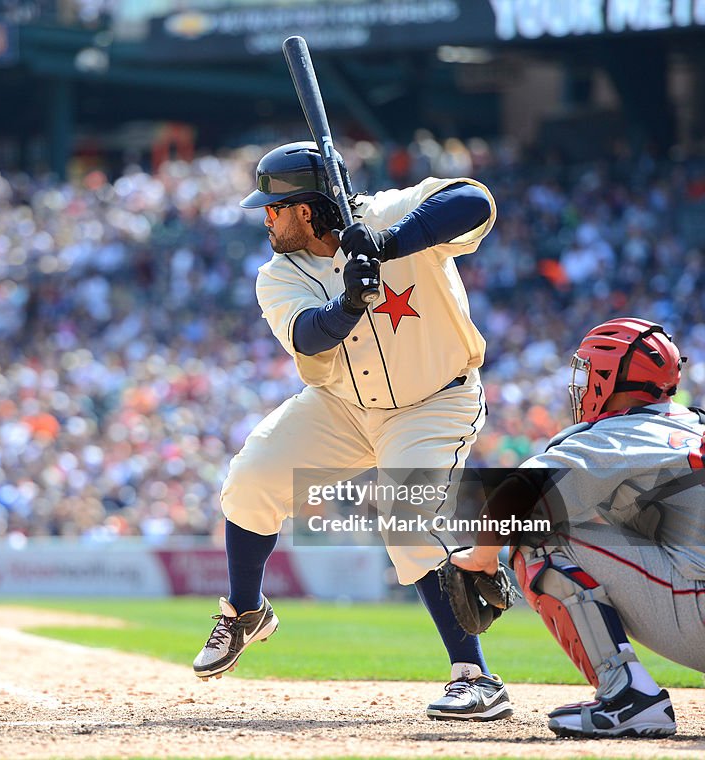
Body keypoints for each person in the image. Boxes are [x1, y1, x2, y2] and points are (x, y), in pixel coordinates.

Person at [193, 141, 510, 720]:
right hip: (341, 405)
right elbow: (309, 336)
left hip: (431, 402)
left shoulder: (388, 214)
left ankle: (475, 676)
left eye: (274, 207)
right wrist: (349, 301)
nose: (265, 216)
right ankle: (246, 611)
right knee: (251, 477)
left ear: (307, 210)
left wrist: (388, 245)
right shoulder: (277, 273)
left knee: (403, 513)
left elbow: (474, 201)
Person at [452, 317, 703, 738]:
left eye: (587, 371)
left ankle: (627, 697)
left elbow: (516, 498)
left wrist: (481, 559)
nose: (580, 384)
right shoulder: (693, 424)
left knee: (534, 535)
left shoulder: (620, 432)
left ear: (608, 377)